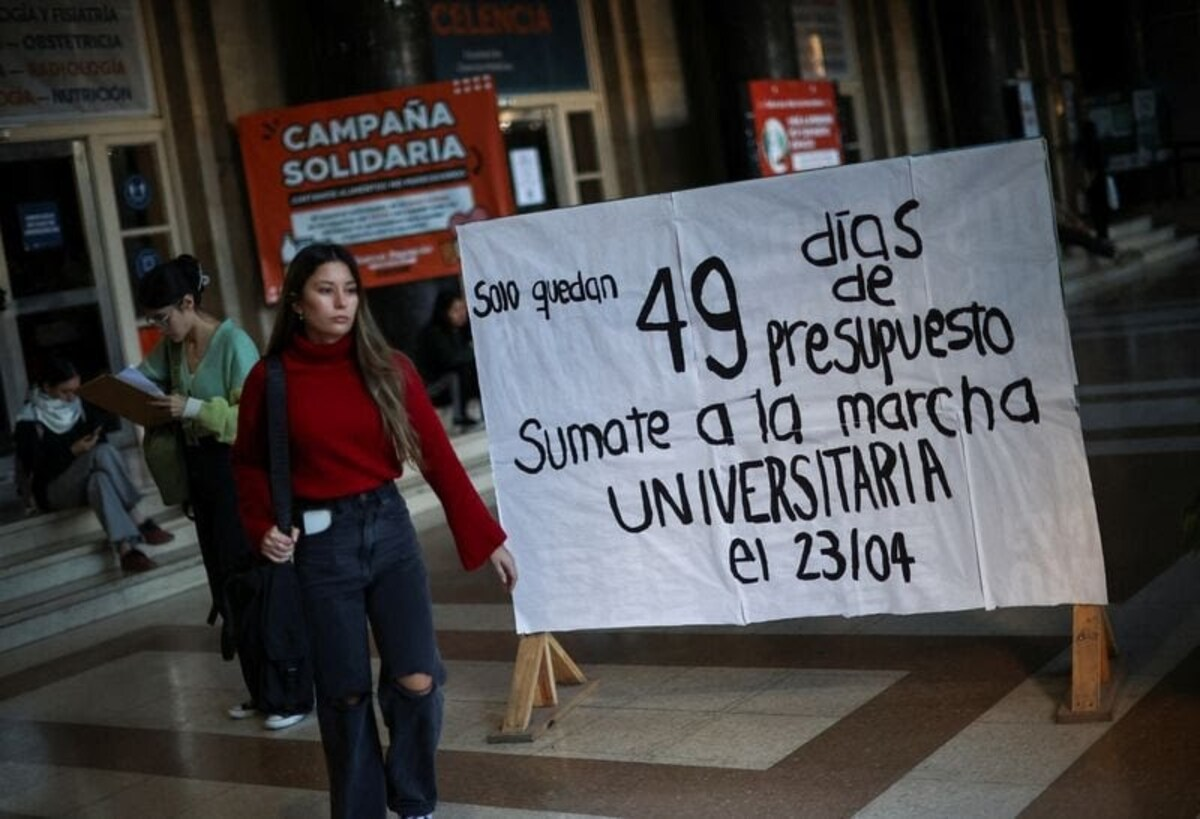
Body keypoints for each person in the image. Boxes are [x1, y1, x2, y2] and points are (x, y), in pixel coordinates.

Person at [232, 242, 517, 819]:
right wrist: (261, 524)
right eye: (325, 290)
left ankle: (413, 798)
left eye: (350, 290)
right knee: (344, 692)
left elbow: (437, 456)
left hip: (388, 530)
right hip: (321, 544)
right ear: (297, 300)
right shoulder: (273, 379)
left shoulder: (390, 368)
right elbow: (249, 463)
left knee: (416, 677)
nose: (341, 302)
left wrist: (488, 537)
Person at [135, 255, 285, 726]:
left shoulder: (233, 343)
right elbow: (144, 380)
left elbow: (253, 418)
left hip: (233, 466)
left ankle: (286, 690)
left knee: (251, 578)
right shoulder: (175, 349)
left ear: (187, 303)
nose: (160, 330)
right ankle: (259, 690)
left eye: (163, 318)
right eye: (152, 322)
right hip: (200, 472)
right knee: (224, 582)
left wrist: (193, 406)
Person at [14, 356, 173, 573]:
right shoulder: (28, 420)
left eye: (76, 390)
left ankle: (126, 551)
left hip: (85, 482)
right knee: (103, 453)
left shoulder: (81, 407)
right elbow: (38, 470)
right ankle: (137, 517)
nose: (72, 397)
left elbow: (101, 442)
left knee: (100, 479)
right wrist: (72, 451)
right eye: (65, 392)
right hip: (53, 491)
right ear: (46, 387)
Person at [415, 288, 481, 429]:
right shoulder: (434, 333)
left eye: (463, 308)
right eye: (456, 310)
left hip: (456, 379)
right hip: (434, 384)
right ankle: (459, 416)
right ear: (445, 312)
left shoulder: (463, 329)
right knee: (455, 375)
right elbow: (450, 359)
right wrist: (472, 351)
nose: (461, 314)